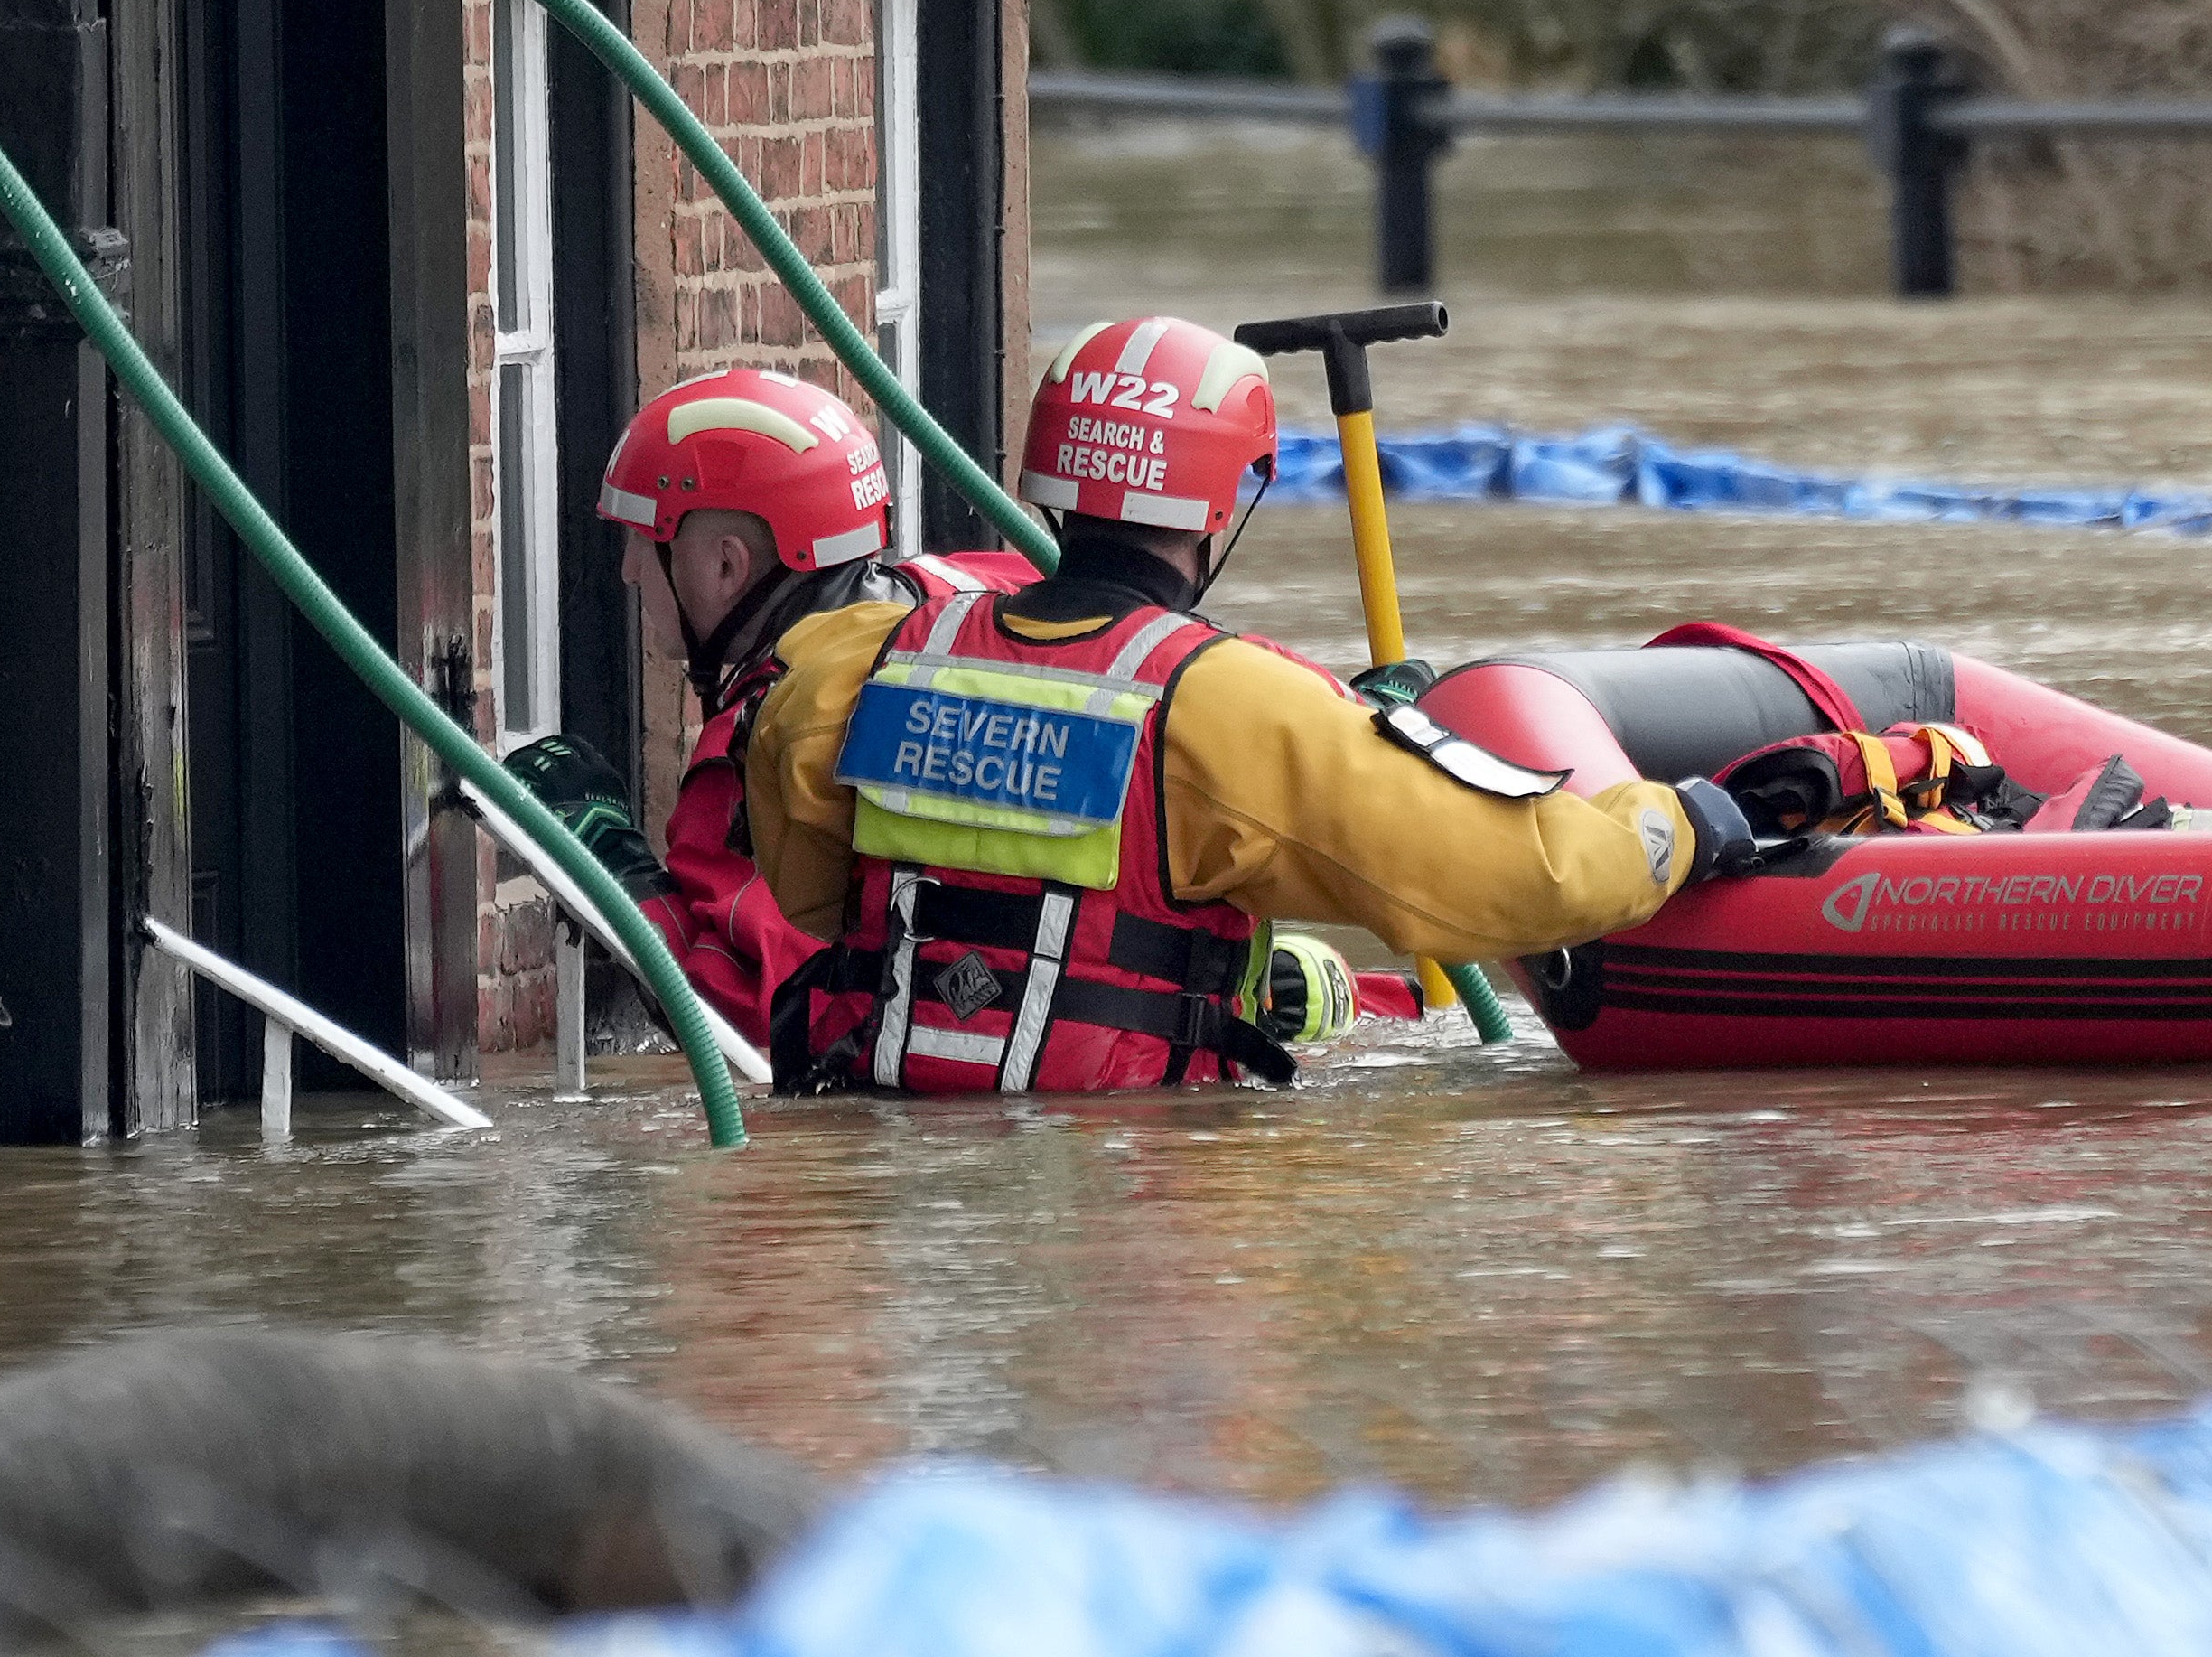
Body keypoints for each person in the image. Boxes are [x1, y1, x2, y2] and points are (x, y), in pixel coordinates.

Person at [515, 330, 1750, 1094]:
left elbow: (809, 911)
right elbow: (1524, 879)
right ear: (1223, 514)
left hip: (907, 1133)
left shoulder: (847, 674)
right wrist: (1690, 825)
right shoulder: (1238, 709)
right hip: (1149, 1182)